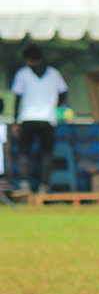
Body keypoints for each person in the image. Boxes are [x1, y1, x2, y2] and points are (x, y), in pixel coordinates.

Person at [11, 45, 68, 193]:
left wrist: (15, 120)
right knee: (46, 153)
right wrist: (55, 105)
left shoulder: (23, 74)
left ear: (28, 60)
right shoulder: (54, 73)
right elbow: (64, 92)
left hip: (28, 117)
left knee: (24, 151)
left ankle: (24, 183)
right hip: (48, 118)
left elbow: (17, 98)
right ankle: (44, 185)